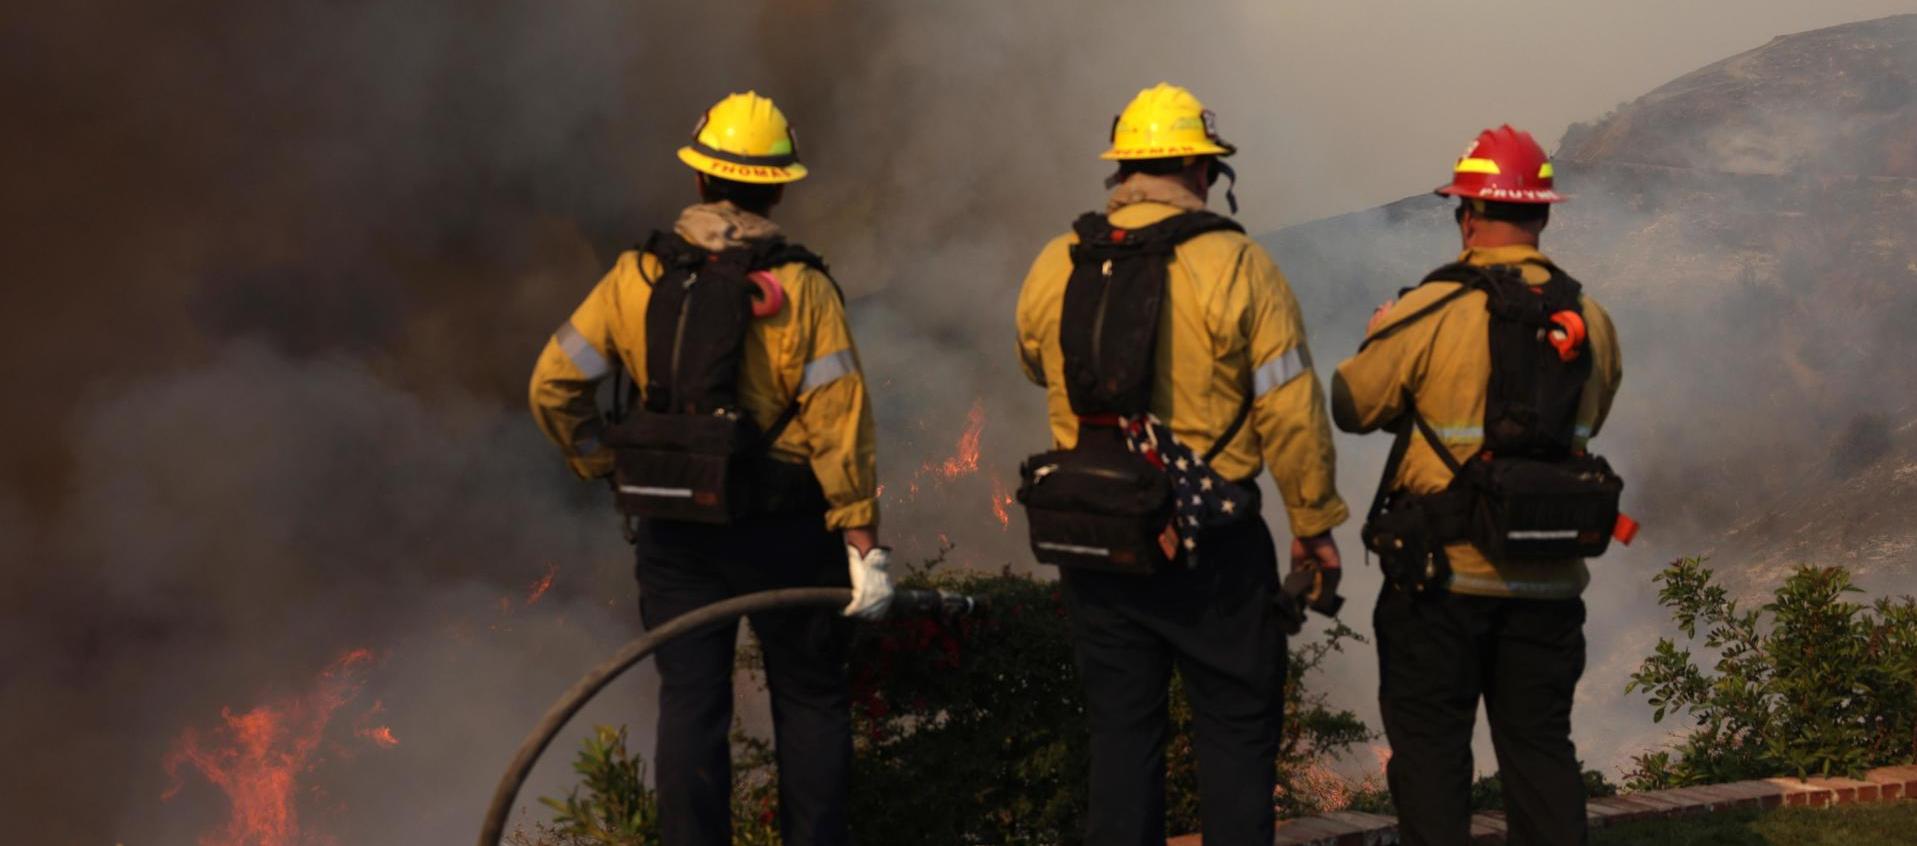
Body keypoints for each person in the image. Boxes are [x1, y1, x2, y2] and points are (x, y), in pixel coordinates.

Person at [528, 91, 889, 846]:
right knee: (810, 700)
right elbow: (839, 421)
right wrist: (860, 537)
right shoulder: (803, 290)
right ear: (778, 189)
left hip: (676, 525)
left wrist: (602, 462)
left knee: (691, 704)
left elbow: (552, 386)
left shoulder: (636, 277)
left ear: (698, 178)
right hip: (786, 528)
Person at [1013, 82, 1348, 845]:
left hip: (1096, 539)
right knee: (1234, 731)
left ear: (1122, 169)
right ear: (1201, 170)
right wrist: (1313, 526)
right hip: (1213, 542)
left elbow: (1034, 364)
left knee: (1120, 737)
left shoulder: (1057, 261)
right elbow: (1289, 410)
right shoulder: (1237, 263)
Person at [1331, 125, 1624, 846]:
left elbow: (1352, 406)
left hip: (1440, 583)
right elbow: (1591, 419)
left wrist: (1377, 336)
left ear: (1466, 216)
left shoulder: (1429, 309)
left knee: (1432, 759)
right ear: (1542, 214)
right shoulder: (1591, 321)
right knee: (1541, 754)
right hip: (1549, 582)